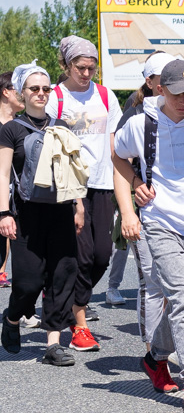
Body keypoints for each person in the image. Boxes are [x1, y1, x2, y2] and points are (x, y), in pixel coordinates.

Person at [113, 60, 184, 413]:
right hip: (159, 222)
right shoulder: (140, 124)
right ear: (160, 90)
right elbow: (118, 158)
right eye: (178, 93)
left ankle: (155, 357)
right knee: (180, 297)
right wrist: (132, 201)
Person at [0, 61, 84, 365]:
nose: (40, 93)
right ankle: (11, 319)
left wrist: (79, 206)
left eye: (45, 88)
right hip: (26, 214)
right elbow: (2, 173)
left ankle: (53, 343)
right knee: (27, 282)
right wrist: (3, 213)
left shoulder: (61, 127)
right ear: (22, 92)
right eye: (34, 88)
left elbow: (73, 171)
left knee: (62, 275)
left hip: (61, 211)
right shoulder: (12, 129)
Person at [46, 35, 123, 351]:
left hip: (103, 184)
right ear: (65, 65)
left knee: (103, 255)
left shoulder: (105, 96)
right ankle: (79, 325)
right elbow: (49, 144)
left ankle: (62, 295)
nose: (87, 74)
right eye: (80, 67)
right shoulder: (55, 97)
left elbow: (115, 145)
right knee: (83, 254)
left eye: (92, 68)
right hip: (69, 186)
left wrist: (123, 189)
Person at [106, 51, 175, 308]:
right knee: (147, 273)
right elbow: (118, 157)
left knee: (180, 275)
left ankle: (175, 330)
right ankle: (114, 287)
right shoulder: (135, 113)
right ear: (150, 82)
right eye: (163, 77)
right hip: (142, 198)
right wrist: (135, 186)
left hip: (174, 204)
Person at [0, 71, 24, 291]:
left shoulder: (22, 126)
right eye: (20, 89)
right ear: (6, 92)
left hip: (14, 201)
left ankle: (22, 312)